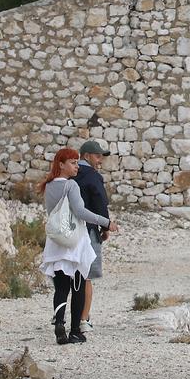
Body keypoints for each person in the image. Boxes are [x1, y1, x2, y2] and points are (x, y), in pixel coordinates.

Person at [40, 147, 116, 345]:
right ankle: (75, 331)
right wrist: (106, 222)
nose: (76, 167)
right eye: (73, 163)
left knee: (61, 289)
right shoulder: (71, 185)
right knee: (78, 286)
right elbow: (81, 212)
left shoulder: (48, 185)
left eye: (76, 162)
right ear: (61, 165)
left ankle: (59, 323)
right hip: (74, 242)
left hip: (56, 241)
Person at [74, 139, 112, 332]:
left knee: (69, 275)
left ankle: (63, 318)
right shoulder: (92, 176)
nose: (100, 161)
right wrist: (105, 227)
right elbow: (99, 202)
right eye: (98, 156)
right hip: (88, 230)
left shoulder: (68, 174)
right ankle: (83, 320)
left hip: (67, 231)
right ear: (87, 156)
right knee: (86, 276)